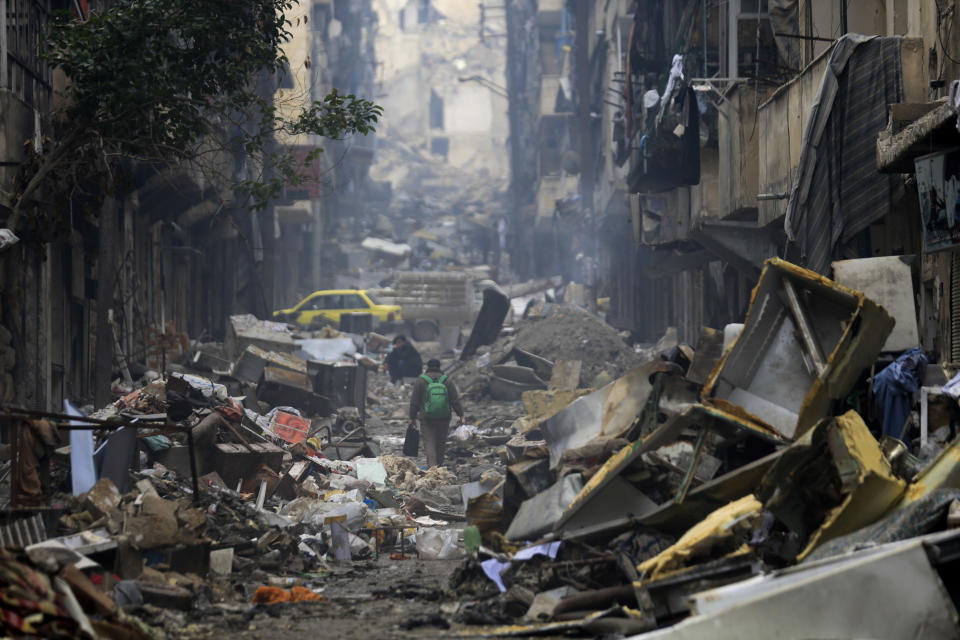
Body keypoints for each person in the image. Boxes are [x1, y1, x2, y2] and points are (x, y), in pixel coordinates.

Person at [409, 359, 465, 468]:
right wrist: (461, 415)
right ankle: (439, 466)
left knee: (429, 442)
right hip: (444, 417)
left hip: (426, 417)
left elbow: (414, 401)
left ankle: (432, 468)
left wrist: (412, 417)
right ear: (440, 367)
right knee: (440, 442)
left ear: (427, 367)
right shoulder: (447, 380)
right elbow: (455, 400)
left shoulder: (421, 380)